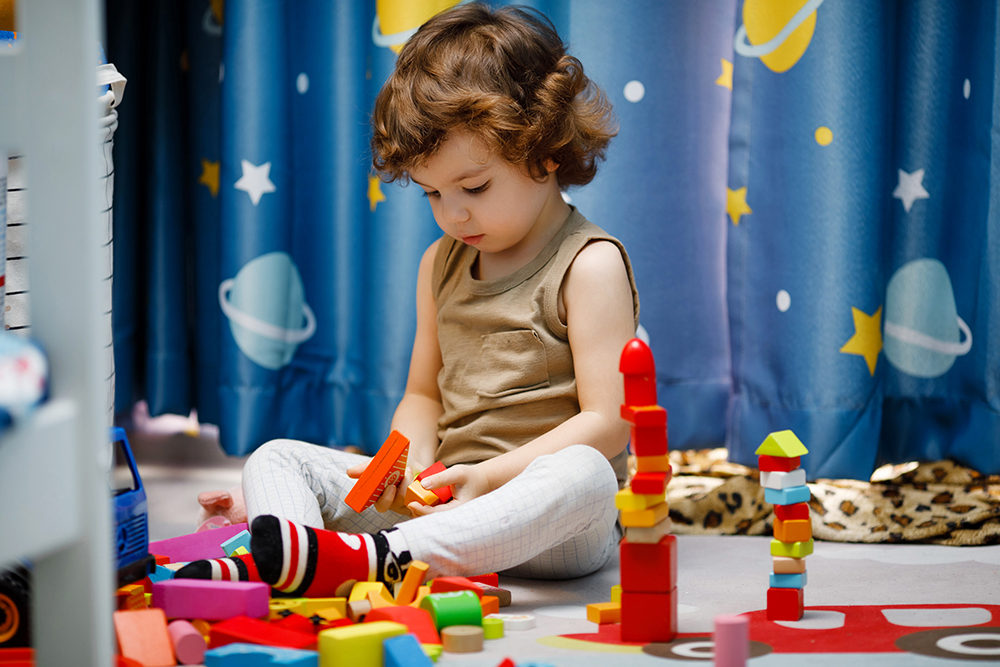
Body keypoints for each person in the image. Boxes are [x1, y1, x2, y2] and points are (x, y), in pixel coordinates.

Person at [176, 2, 640, 597]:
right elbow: (422, 394)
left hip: (551, 525)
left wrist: (488, 478)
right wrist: (402, 467)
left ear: (548, 150)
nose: (454, 213)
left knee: (586, 475)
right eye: (432, 195)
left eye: (474, 187)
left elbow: (608, 425)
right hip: (442, 505)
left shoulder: (589, 264)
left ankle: (377, 557)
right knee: (276, 457)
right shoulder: (439, 264)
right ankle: (291, 552)